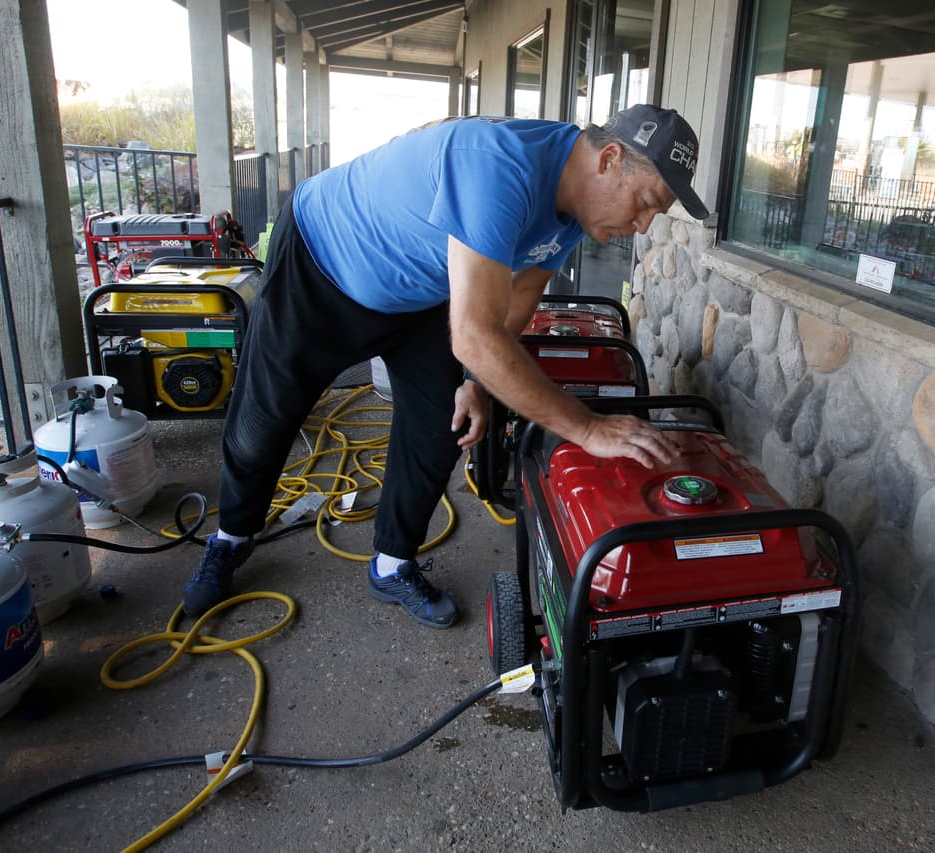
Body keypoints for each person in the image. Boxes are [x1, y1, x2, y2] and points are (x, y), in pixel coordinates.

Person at [181, 104, 711, 627]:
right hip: (326, 260)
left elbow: (517, 302)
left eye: (654, 216)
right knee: (266, 417)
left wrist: (479, 383)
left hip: (424, 288)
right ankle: (232, 537)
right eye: (644, 203)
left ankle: (392, 563)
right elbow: (476, 337)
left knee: (444, 422)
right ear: (609, 159)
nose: (642, 226)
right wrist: (587, 428)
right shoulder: (500, 166)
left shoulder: (576, 211)